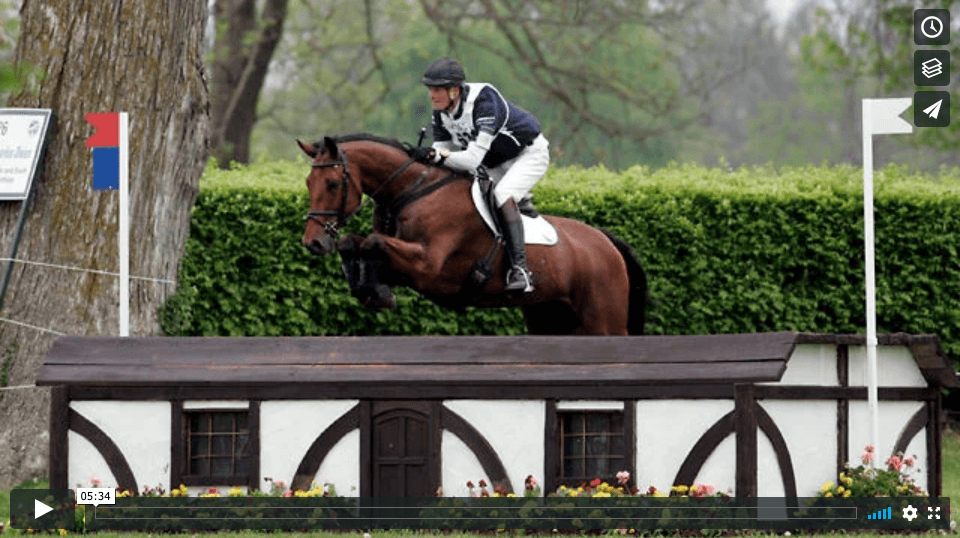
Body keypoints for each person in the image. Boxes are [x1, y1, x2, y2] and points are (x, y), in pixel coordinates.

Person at [412, 58, 549, 293]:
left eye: (437, 89)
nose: (432, 95)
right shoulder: (441, 113)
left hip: (527, 154)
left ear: (454, 90)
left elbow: (470, 160)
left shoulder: (484, 101)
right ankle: (520, 206)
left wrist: (435, 155)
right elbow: (441, 159)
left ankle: (520, 270)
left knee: (502, 194)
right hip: (492, 163)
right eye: (430, 89)